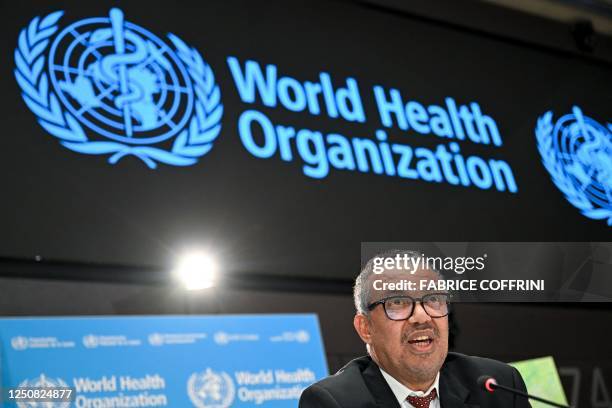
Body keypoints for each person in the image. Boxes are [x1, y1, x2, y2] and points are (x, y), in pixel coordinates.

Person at [299, 250, 531, 408]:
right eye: (398, 303)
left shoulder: (499, 385)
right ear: (365, 328)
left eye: (433, 300)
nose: (422, 316)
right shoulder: (333, 402)